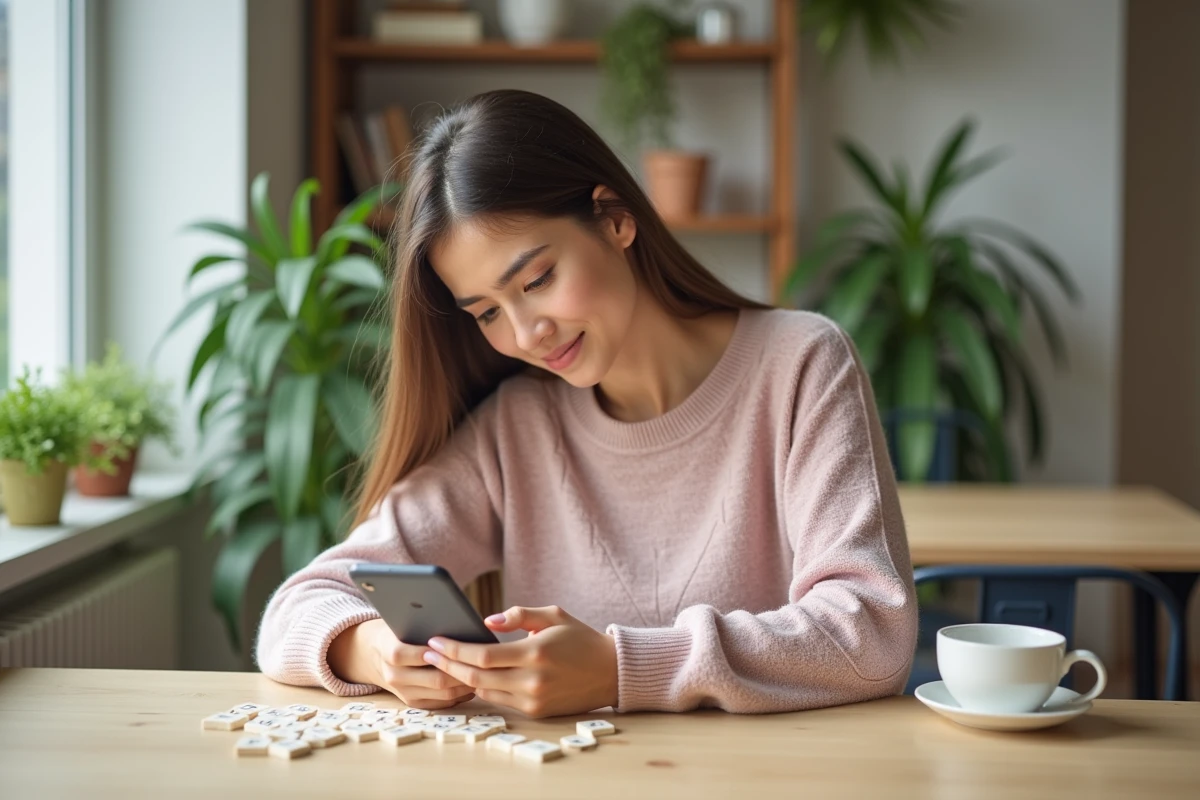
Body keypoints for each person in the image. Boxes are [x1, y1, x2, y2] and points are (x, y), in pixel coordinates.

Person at [256, 89, 917, 718]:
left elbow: (873, 631)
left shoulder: (800, 363)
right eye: (486, 312)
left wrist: (617, 667)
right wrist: (374, 650)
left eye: (537, 279)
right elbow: (300, 606)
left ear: (615, 219)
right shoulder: (515, 430)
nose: (525, 333)